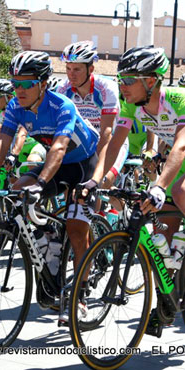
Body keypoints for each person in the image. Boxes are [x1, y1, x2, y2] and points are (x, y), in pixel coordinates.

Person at [0, 51, 99, 317]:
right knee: (18, 190)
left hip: (81, 164)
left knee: (77, 232)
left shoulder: (62, 105)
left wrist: (42, 183)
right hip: (56, 164)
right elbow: (2, 142)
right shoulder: (14, 107)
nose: (19, 90)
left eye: (26, 84)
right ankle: (48, 238)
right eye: (15, 83)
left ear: (43, 84)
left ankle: (80, 293)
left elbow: (59, 146)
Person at [77, 45, 185, 336]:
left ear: (151, 81)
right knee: (164, 246)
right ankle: (167, 303)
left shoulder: (177, 99)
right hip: (178, 166)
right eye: (121, 79)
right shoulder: (131, 105)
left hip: (181, 161)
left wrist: (160, 186)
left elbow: (180, 145)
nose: (121, 86)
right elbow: (114, 144)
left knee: (180, 192)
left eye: (128, 80)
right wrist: (94, 180)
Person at [57, 41, 127, 190]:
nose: (71, 74)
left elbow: (106, 131)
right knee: (71, 185)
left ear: (91, 69)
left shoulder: (106, 87)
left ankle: (117, 210)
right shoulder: (63, 89)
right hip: (84, 143)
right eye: (68, 68)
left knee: (100, 182)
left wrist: (93, 166)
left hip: (112, 142)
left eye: (77, 69)